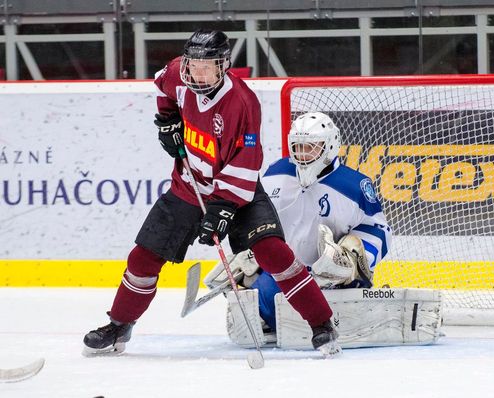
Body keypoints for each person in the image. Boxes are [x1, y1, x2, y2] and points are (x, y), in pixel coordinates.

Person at [82, 30, 339, 356]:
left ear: (223, 66)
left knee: (272, 252)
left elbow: (247, 163)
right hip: (187, 187)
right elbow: (162, 85)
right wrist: (168, 120)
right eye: (193, 64)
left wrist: (222, 210)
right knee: (143, 258)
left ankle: (321, 324)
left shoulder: (243, 103)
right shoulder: (179, 73)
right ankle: (119, 325)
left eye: (207, 66)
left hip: (237, 192)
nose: (197, 73)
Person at [205, 112, 392, 332]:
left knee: (324, 314)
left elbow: (379, 230)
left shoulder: (355, 185)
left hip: (333, 279)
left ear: (330, 145)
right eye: (298, 146)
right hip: (286, 273)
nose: (303, 154)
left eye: (311, 146)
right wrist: (250, 250)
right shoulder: (276, 173)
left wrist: (352, 260)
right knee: (260, 306)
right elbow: (256, 215)